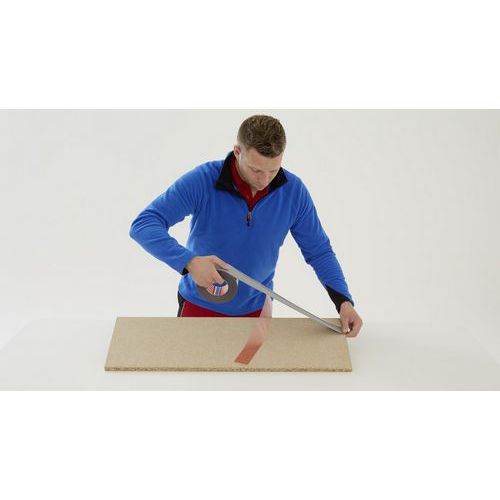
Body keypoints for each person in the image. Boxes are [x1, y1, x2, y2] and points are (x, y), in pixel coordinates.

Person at [129, 115, 363, 337]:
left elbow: (319, 252)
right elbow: (144, 224)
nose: (264, 180)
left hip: (257, 312)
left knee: (251, 368)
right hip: (198, 305)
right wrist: (189, 261)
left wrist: (344, 301)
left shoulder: (294, 192)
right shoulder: (202, 180)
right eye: (256, 169)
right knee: (193, 368)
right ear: (237, 152)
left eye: (273, 170)